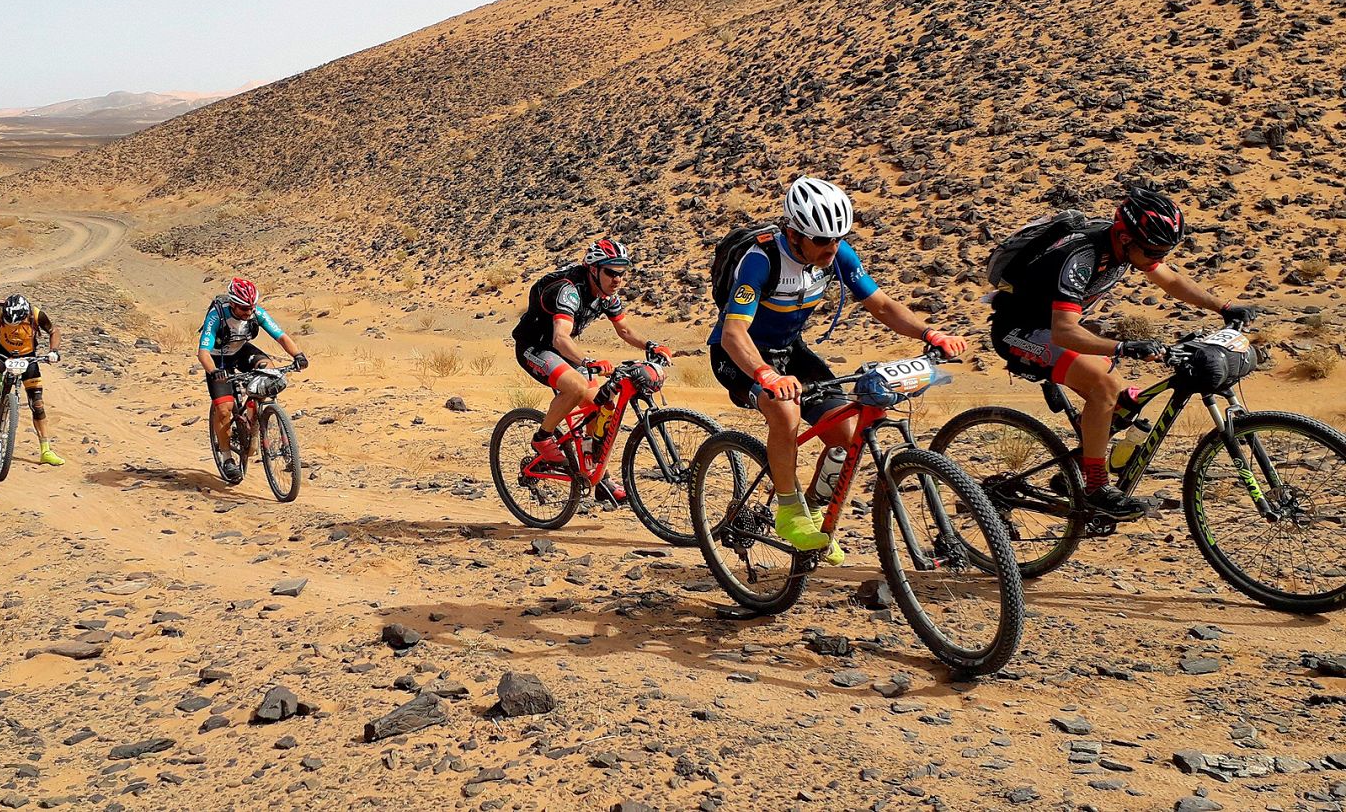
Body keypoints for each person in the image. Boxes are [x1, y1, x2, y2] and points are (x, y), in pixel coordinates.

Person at [710, 177, 968, 558]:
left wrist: (929, 333)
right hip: (740, 354)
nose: (832, 248)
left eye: (839, 238)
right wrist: (766, 375)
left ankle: (814, 511)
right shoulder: (761, 260)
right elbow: (733, 333)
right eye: (822, 240)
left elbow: (881, 305)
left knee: (846, 435)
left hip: (791, 350)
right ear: (794, 234)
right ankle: (789, 511)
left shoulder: (837, 254)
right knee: (784, 411)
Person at [988, 185, 1257, 519]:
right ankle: (1096, 487)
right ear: (1126, 238)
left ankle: (1076, 470)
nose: (1158, 259)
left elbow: (1171, 281)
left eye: (1164, 251)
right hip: (1020, 333)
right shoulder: (1082, 257)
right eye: (1153, 252)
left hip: (1053, 328)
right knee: (1102, 385)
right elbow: (1064, 331)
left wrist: (1224, 306)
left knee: (1121, 397)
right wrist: (1124, 347)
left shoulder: (1126, 246)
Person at [511, 238, 673, 502]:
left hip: (562, 351)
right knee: (575, 387)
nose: (618, 279)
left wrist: (652, 345)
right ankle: (543, 438)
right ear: (593, 269)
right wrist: (587, 362)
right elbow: (560, 338)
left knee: (601, 405)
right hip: (535, 347)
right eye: (611, 271)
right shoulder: (569, 291)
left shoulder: (608, 296)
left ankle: (598, 477)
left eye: (622, 272)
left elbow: (625, 330)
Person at [198, 276, 307, 481]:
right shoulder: (217, 316)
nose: (249, 313)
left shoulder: (256, 313)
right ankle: (228, 457)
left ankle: (256, 418)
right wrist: (213, 371)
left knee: (269, 371)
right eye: (243, 309)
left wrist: (298, 355)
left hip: (241, 351)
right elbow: (203, 352)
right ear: (232, 304)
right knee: (223, 409)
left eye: (251, 307)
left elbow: (281, 336)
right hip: (218, 359)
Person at [0, 294, 65, 466]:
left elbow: (54, 331)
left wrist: (54, 351)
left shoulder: (36, 315)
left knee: (37, 404)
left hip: (27, 356)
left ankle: (45, 450)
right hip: (0, 352)